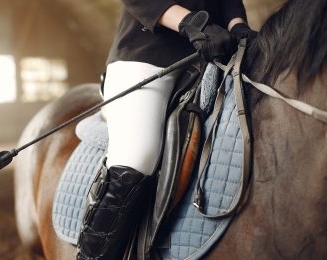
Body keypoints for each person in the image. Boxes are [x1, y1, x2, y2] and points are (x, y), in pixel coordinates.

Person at [77, 1, 255, 259]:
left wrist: (237, 26)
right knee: (138, 156)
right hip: (147, 57)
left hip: (214, 56)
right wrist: (192, 23)